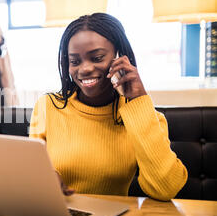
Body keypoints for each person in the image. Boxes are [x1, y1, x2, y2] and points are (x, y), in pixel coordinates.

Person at [29, 13, 187, 201]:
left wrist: (138, 100)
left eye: (96, 58)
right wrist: (46, 178)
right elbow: (32, 170)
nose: (85, 69)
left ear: (120, 57)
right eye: (74, 61)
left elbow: (166, 188)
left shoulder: (146, 117)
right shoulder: (47, 107)